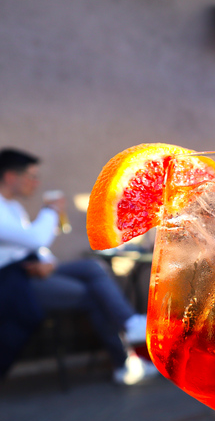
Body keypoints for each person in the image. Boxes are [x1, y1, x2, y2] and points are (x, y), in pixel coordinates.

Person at [0, 148, 157, 385]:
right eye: (32, 176)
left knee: (92, 267)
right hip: (13, 283)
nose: (35, 183)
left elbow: (31, 248)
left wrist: (47, 263)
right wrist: (51, 210)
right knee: (91, 295)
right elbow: (35, 239)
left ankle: (130, 326)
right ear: (11, 176)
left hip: (32, 271)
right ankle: (123, 360)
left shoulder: (13, 207)